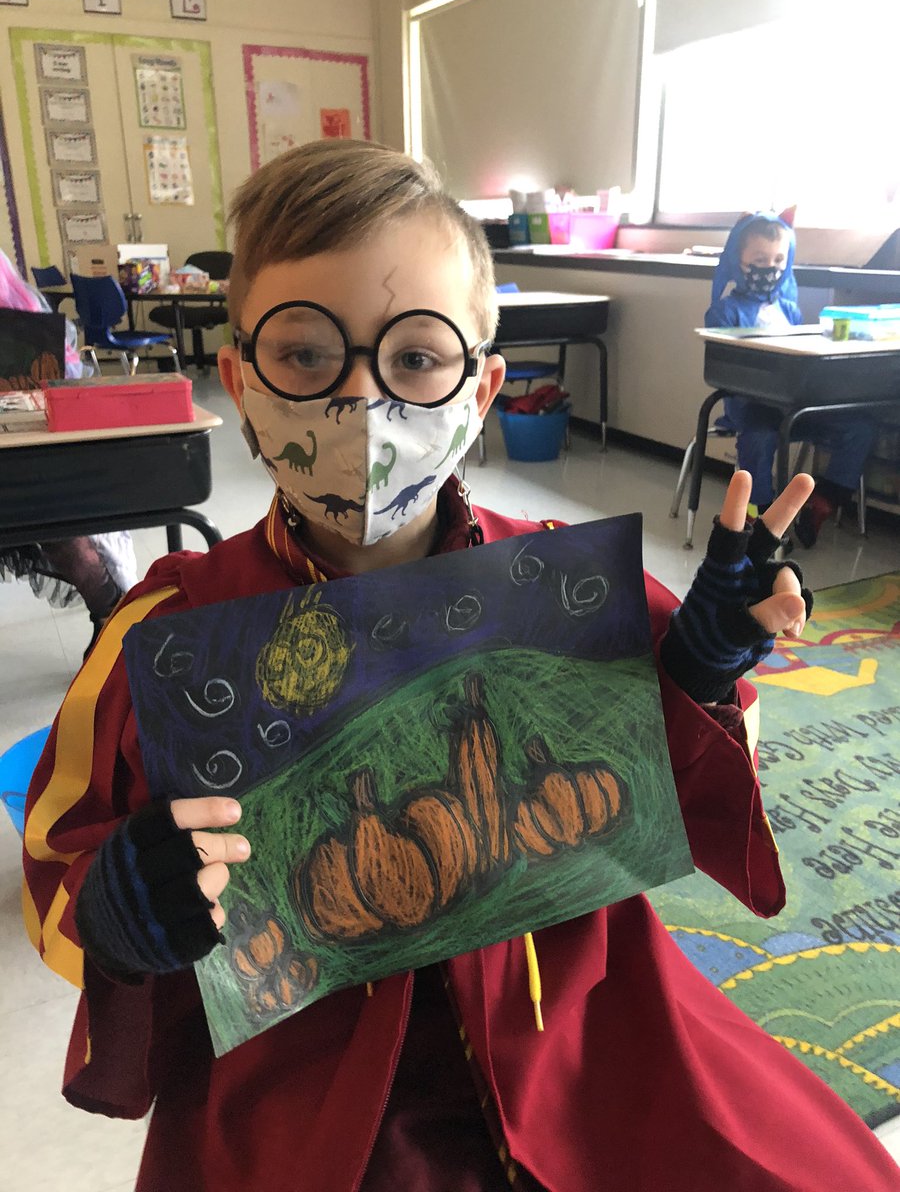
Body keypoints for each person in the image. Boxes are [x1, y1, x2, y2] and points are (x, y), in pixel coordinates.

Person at [22, 142, 898, 1191]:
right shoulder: (167, 635)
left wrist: (696, 671)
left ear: (483, 387)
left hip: (577, 1021)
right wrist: (119, 914)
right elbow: (62, 857)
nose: (360, 401)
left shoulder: (568, 590)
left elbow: (667, 790)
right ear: (239, 381)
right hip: (305, 1075)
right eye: (305, 354)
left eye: (415, 358)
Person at [705, 211, 878, 546]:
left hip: (794, 408)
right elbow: (726, 370)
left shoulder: (789, 309)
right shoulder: (724, 312)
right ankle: (767, 516)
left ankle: (821, 502)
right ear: (737, 260)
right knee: (758, 439)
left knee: (860, 428)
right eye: (759, 259)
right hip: (753, 410)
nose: (770, 267)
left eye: (778, 259)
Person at [0, 249, 137, 653]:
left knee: (64, 532)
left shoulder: (18, 309)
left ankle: (111, 615)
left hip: (27, 460)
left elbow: (65, 375)